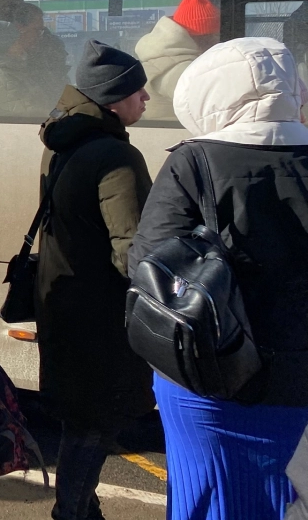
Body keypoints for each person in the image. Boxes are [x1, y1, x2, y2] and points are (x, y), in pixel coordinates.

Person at [130, 38, 308, 520]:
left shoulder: (195, 161)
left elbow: (149, 265)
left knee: (207, 496)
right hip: (298, 380)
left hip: (209, 378)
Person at [35, 40, 155, 520]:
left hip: (63, 300)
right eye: (137, 91)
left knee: (81, 419)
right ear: (111, 99)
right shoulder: (116, 158)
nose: (145, 98)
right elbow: (134, 250)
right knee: (95, 426)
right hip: (100, 317)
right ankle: (71, 513)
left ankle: (84, 511)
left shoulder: (64, 141)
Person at [134, 0, 220, 120]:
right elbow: (216, 106)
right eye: (216, 36)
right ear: (204, 37)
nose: (218, 42)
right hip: (173, 135)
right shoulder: (178, 69)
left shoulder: (165, 56)